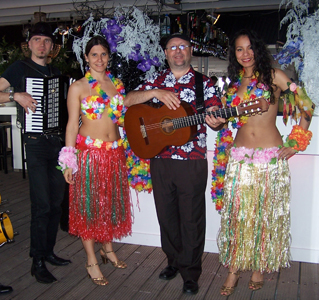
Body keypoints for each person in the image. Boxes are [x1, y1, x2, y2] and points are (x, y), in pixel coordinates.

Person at [124, 33, 225, 295]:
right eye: (172, 47)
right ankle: (173, 262)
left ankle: (190, 273)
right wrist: (155, 92)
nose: (178, 51)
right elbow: (127, 101)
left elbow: (216, 114)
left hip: (192, 161)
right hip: (160, 159)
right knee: (166, 215)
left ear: (190, 51)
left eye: (182, 47)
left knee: (191, 218)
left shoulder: (205, 84)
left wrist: (217, 120)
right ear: (166, 53)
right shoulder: (155, 80)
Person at [217, 29, 314, 296]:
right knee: (238, 217)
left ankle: (259, 266)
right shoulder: (233, 83)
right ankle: (234, 268)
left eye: (249, 48)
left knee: (264, 215)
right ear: (234, 55)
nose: (245, 54)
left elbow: (307, 106)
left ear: (257, 49)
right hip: (239, 160)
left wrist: (296, 142)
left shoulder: (274, 76)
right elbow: (225, 120)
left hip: (270, 159)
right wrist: (217, 119)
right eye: (239, 49)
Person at [0, 22, 71, 284]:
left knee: (55, 203)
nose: (42, 44)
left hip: (58, 144)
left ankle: (48, 251)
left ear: (52, 47)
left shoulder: (56, 72)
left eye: (46, 41)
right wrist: (14, 95)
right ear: (29, 44)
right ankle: (36, 261)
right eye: (37, 39)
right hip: (36, 144)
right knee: (41, 204)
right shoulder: (19, 68)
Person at [60, 36, 132, 286]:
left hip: (114, 153)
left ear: (109, 57)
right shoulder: (78, 87)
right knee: (89, 209)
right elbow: (71, 125)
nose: (99, 59)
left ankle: (107, 248)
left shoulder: (117, 84)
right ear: (86, 57)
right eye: (94, 55)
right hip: (89, 155)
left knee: (109, 204)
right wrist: (69, 160)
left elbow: (121, 118)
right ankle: (91, 259)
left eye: (103, 54)